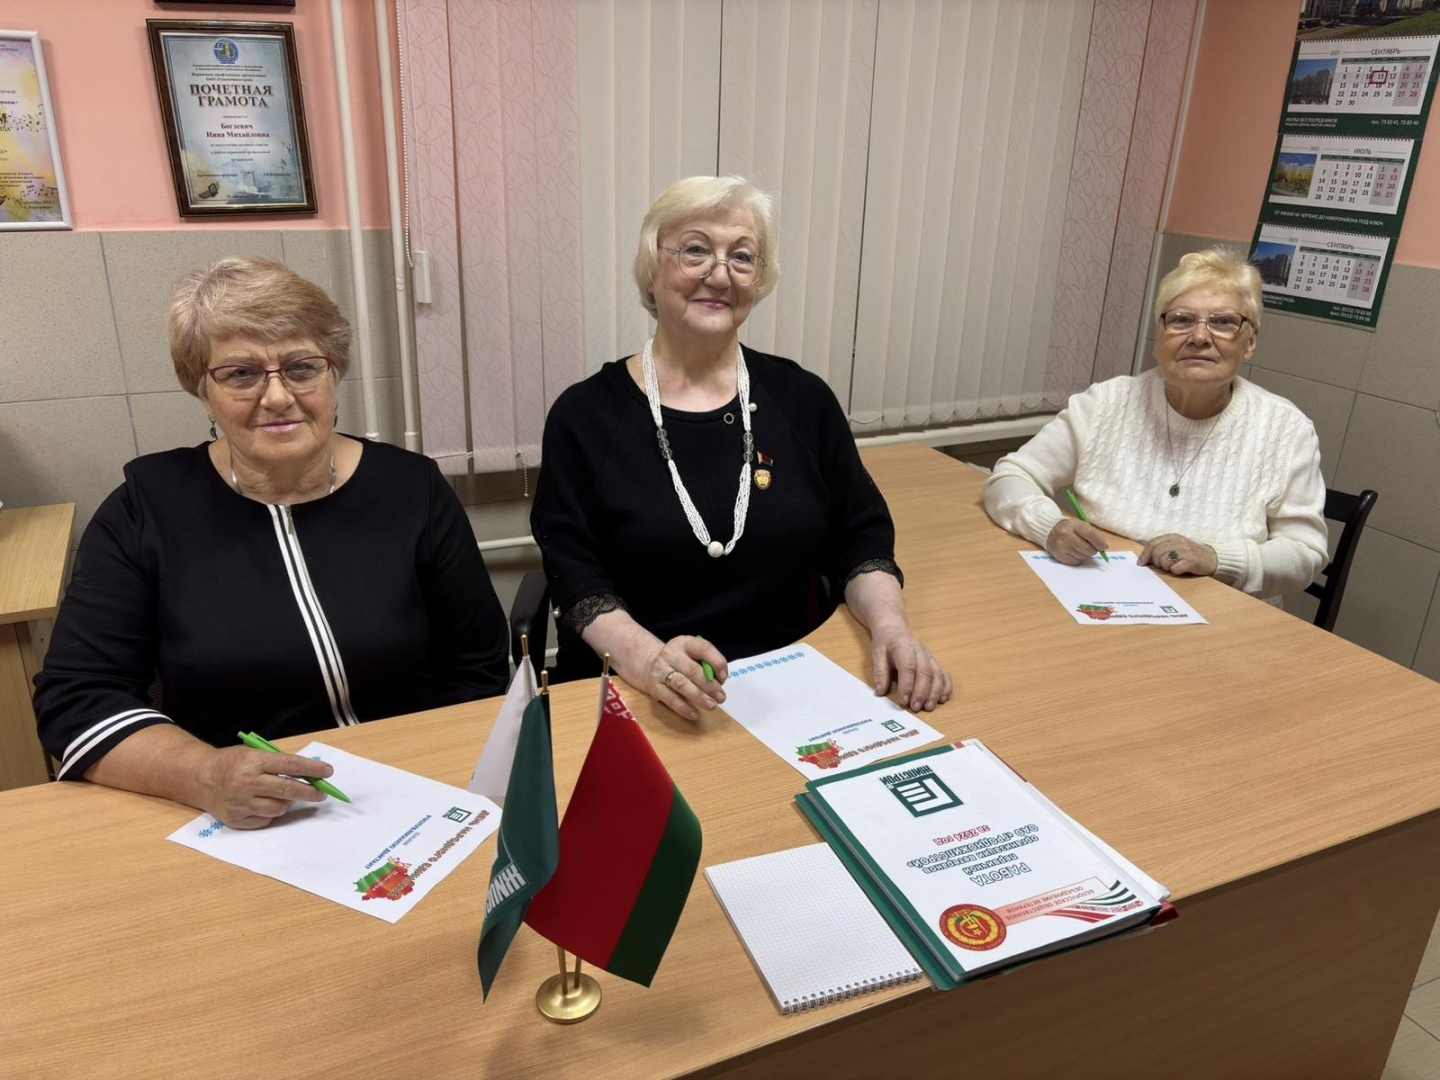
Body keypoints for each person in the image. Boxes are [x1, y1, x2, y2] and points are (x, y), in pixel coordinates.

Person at [34, 257, 509, 828]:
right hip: (240, 814)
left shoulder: (413, 488)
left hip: (415, 790)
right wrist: (204, 775)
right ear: (202, 390)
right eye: (241, 374)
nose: (278, 396)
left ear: (334, 375)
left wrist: (429, 776)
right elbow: (77, 699)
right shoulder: (146, 508)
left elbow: (478, 668)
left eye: (302, 367)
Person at [531, 175, 951, 721]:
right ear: (653, 269)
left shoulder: (803, 399)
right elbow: (575, 577)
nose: (719, 274)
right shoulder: (584, 416)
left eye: (743, 257)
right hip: (640, 693)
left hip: (796, 682)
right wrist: (651, 662)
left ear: (759, 280)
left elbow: (861, 537)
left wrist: (892, 628)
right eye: (695, 250)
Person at [984, 247, 1327, 599]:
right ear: (1158, 339)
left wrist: (1217, 559)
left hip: (1222, 613)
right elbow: (1011, 477)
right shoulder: (1105, 403)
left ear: (1250, 342)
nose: (1199, 337)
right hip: (1099, 595)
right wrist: (1050, 527)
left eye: (1223, 322)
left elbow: (1306, 553)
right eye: (1181, 320)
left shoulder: (1286, 429)